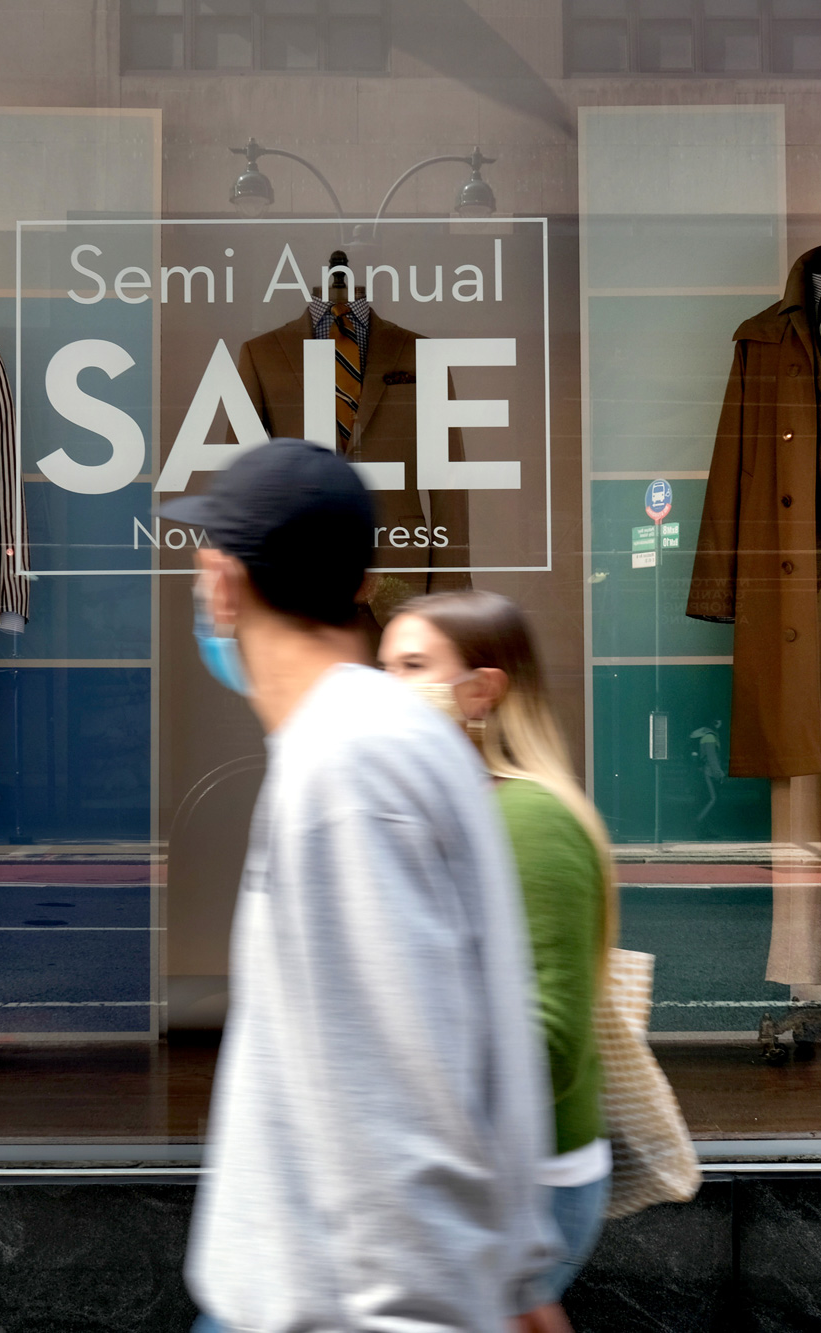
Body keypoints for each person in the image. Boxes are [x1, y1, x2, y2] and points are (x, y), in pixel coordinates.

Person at [161, 441, 563, 1333]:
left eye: (203, 569)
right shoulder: (391, 737)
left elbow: (398, 1102)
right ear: (359, 584)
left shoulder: (346, 770)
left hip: (325, 1304)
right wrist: (525, 1283)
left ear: (224, 582)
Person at [380, 590, 616, 1309]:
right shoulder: (454, 803)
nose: (389, 687)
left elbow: (545, 1040)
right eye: (383, 665)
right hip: (482, 1178)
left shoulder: (528, 817)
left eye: (414, 665)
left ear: (482, 690)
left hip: (522, 1183)